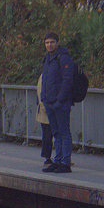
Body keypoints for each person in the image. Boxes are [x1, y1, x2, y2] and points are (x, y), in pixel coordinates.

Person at [39, 31, 76, 173]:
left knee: (64, 131)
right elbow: (45, 79)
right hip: (49, 102)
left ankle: (65, 162)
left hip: (60, 102)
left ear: (57, 43)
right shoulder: (47, 59)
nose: (49, 45)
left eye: (52, 42)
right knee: (56, 132)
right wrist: (43, 97)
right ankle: (58, 159)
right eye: (47, 42)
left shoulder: (63, 58)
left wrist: (60, 99)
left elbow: (68, 80)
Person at [36, 73, 53, 171]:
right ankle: (47, 158)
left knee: (52, 134)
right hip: (45, 111)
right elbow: (40, 91)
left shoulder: (46, 75)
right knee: (47, 135)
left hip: (50, 110)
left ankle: (58, 157)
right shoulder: (43, 76)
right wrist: (44, 107)